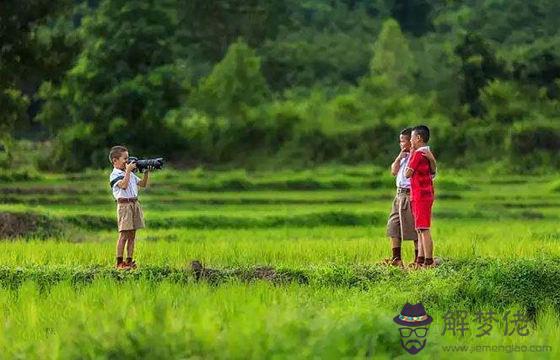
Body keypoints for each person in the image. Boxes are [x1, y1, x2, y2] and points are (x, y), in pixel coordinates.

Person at [108, 145, 151, 270]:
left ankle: (129, 261)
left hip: (134, 204)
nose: (128, 161)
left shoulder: (130, 174)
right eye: (125, 159)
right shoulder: (115, 174)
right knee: (124, 235)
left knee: (132, 234)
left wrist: (146, 172)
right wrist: (128, 171)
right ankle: (119, 262)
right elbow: (124, 185)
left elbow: (142, 184)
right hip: (124, 205)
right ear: (115, 161)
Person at [384, 128, 419, 267]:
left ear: (410, 142)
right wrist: (400, 156)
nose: (401, 144)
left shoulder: (416, 156)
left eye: (403, 141)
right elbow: (393, 171)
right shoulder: (403, 156)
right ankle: (396, 259)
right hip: (399, 195)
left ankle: (419, 259)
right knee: (393, 226)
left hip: (409, 194)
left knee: (415, 228)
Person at [405, 125, 437, 269]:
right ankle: (421, 260)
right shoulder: (427, 153)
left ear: (418, 138)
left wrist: (411, 154)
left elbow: (407, 173)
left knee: (423, 228)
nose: (410, 140)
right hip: (423, 194)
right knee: (420, 228)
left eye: (411, 137)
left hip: (420, 195)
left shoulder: (418, 154)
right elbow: (433, 172)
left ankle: (428, 261)